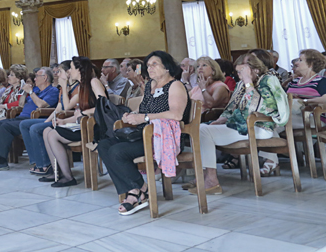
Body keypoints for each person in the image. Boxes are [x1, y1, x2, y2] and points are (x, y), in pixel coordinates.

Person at [97, 50, 189, 215]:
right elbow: (143, 108)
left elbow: (176, 114)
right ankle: (139, 188)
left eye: (155, 64)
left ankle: (136, 192)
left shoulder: (175, 85)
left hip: (164, 138)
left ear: (167, 67)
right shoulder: (150, 86)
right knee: (103, 145)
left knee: (118, 152)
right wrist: (132, 115)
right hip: (145, 134)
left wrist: (144, 118)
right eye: (148, 65)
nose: (150, 68)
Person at [194, 53, 289, 191]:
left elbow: (257, 108)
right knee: (202, 128)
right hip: (241, 126)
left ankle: (210, 179)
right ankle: (206, 176)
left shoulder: (269, 80)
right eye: (238, 72)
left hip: (260, 127)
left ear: (255, 69)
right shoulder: (241, 85)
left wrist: (248, 83)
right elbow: (232, 107)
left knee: (203, 131)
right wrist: (220, 120)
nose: (239, 75)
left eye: (242, 71)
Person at [0, 65, 59, 171]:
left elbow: (41, 105)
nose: (34, 79)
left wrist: (30, 92)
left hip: (32, 119)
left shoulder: (52, 91)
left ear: (45, 78)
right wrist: (25, 91)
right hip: (21, 117)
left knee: (5, 126)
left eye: (37, 76)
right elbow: (21, 104)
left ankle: (2, 161)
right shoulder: (36, 90)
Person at [41, 56, 107, 186]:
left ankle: (67, 176)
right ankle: (57, 172)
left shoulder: (93, 82)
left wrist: (83, 113)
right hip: (83, 124)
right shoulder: (82, 86)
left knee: (53, 134)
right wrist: (64, 122)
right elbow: (76, 113)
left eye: (71, 68)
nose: (69, 71)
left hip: (95, 126)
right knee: (47, 130)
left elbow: (104, 105)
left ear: (79, 69)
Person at [286, 49, 326, 129]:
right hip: (292, 114)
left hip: (314, 118)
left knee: (275, 123)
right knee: (272, 123)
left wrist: (303, 101)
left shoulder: (321, 81)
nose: (296, 63)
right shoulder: (295, 81)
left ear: (310, 64)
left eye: (300, 60)